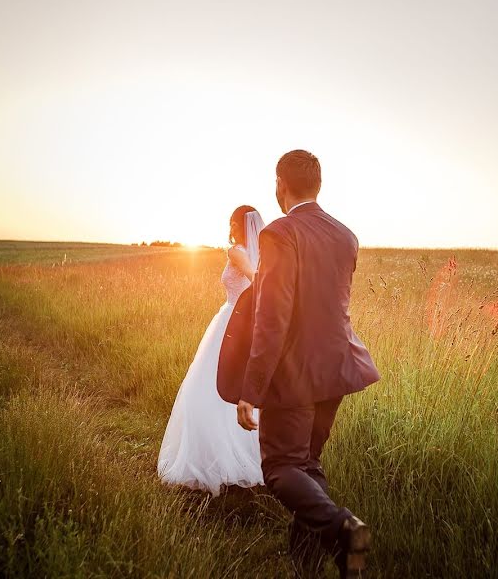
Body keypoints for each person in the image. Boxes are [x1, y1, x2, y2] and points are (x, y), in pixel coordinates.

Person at [222, 150, 381, 578]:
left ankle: (343, 528)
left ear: (280, 183)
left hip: (295, 373)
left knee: (280, 468)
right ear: (318, 184)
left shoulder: (280, 233)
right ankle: (306, 563)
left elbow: (271, 319)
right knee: (308, 464)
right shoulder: (346, 235)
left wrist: (250, 391)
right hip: (336, 368)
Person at [157, 205, 266, 494]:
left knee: (208, 388)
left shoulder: (236, 251)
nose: (229, 228)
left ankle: (214, 462)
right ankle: (234, 457)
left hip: (232, 321)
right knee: (226, 386)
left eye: (232, 223)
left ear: (237, 224)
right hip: (243, 321)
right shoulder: (261, 252)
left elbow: (256, 280)